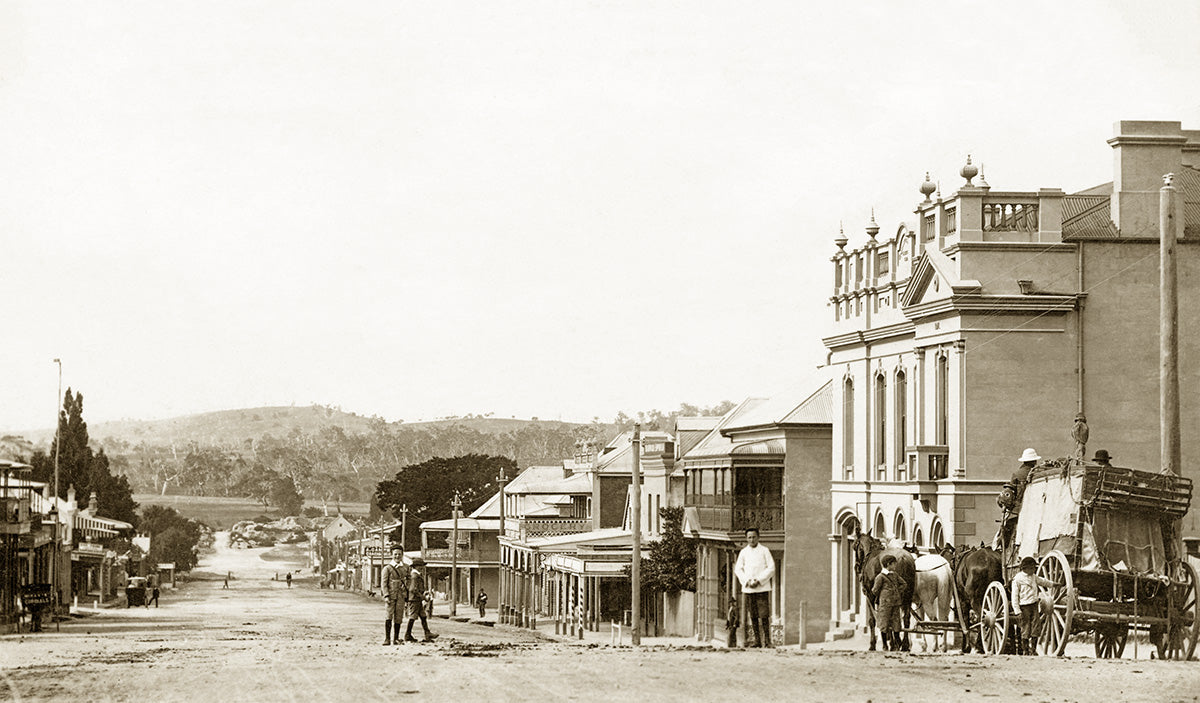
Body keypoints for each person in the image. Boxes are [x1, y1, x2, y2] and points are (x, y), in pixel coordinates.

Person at [733, 527, 775, 648]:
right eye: (749, 537)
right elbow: (738, 569)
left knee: (764, 615)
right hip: (749, 588)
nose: (752, 540)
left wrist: (759, 580)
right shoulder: (743, 552)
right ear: (746, 539)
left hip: (762, 588)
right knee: (753, 615)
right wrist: (747, 581)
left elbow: (771, 568)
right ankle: (757, 641)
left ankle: (767, 641)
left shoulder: (765, 551)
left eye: (754, 537)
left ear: (758, 537)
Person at [1011, 556, 1053, 655]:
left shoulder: (1034, 577)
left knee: (1036, 626)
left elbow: (1043, 581)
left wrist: (1053, 584)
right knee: (1025, 627)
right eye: (1032, 568)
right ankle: (1025, 650)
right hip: (1024, 606)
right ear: (1024, 568)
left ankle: (1033, 650)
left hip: (1034, 606)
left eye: (1034, 568)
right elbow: (1014, 596)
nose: (1034, 570)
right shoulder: (1017, 579)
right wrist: (1017, 611)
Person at [872, 554, 908, 651]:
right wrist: (885, 594)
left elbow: (904, 584)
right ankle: (885, 644)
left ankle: (897, 643)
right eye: (894, 564)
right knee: (884, 624)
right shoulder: (880, 577)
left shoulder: (895, 575)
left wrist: (896, 591)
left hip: (895, 603)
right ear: (888, 564)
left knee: (896, 624)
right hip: (885, 605)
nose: (895, 566)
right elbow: (875, 590)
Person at [404, 557, 438, 643]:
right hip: (414, 599)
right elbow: (413, 590)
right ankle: (407, 635)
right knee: (413, 617)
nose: (422, 567)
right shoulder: (415, 576)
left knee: (423, 616)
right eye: (421, 566)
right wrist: (424, 597)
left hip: (416, 599)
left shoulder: (416, 575)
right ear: (417, 566)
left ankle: (427, 633)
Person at [382, 548, 408, 645]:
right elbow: (384, 584)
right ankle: (387, 639)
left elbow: (409, 580)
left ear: (402, 555)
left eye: (399, 554)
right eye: (395, 554)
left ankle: (396, 638)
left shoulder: (405, 567)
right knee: (389, 616)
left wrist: (405, 586)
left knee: (399, 617)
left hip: (401, 596)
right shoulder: (387, 568)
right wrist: (386, 595)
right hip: (391, 596)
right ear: (391, 555)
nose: (397, 556)